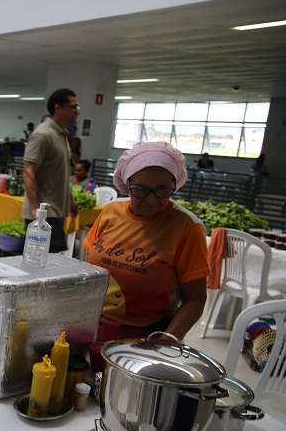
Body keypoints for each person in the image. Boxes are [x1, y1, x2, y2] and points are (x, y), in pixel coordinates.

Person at [84, 141, 209, 353]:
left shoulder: (187, 227)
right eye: (141, 190)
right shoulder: (111, 212)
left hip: (144, 338)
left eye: (163, 191)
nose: (151, 200)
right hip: (90, 324)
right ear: (127, 182)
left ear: (174, 185)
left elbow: (195, 299)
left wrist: (166, 343)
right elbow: (89, 267)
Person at [22, 88, 80, 253]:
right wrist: (35, 207)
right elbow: (28, 171)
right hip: (44, 212)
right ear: (58, 108)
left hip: (55, 210)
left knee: (51, 259)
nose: (76, 111)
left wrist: (70, 200)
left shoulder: (61, 134)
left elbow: (60, 173)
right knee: (41, 261)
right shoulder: (43, 134)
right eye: (73, 106)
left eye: (78, 107)